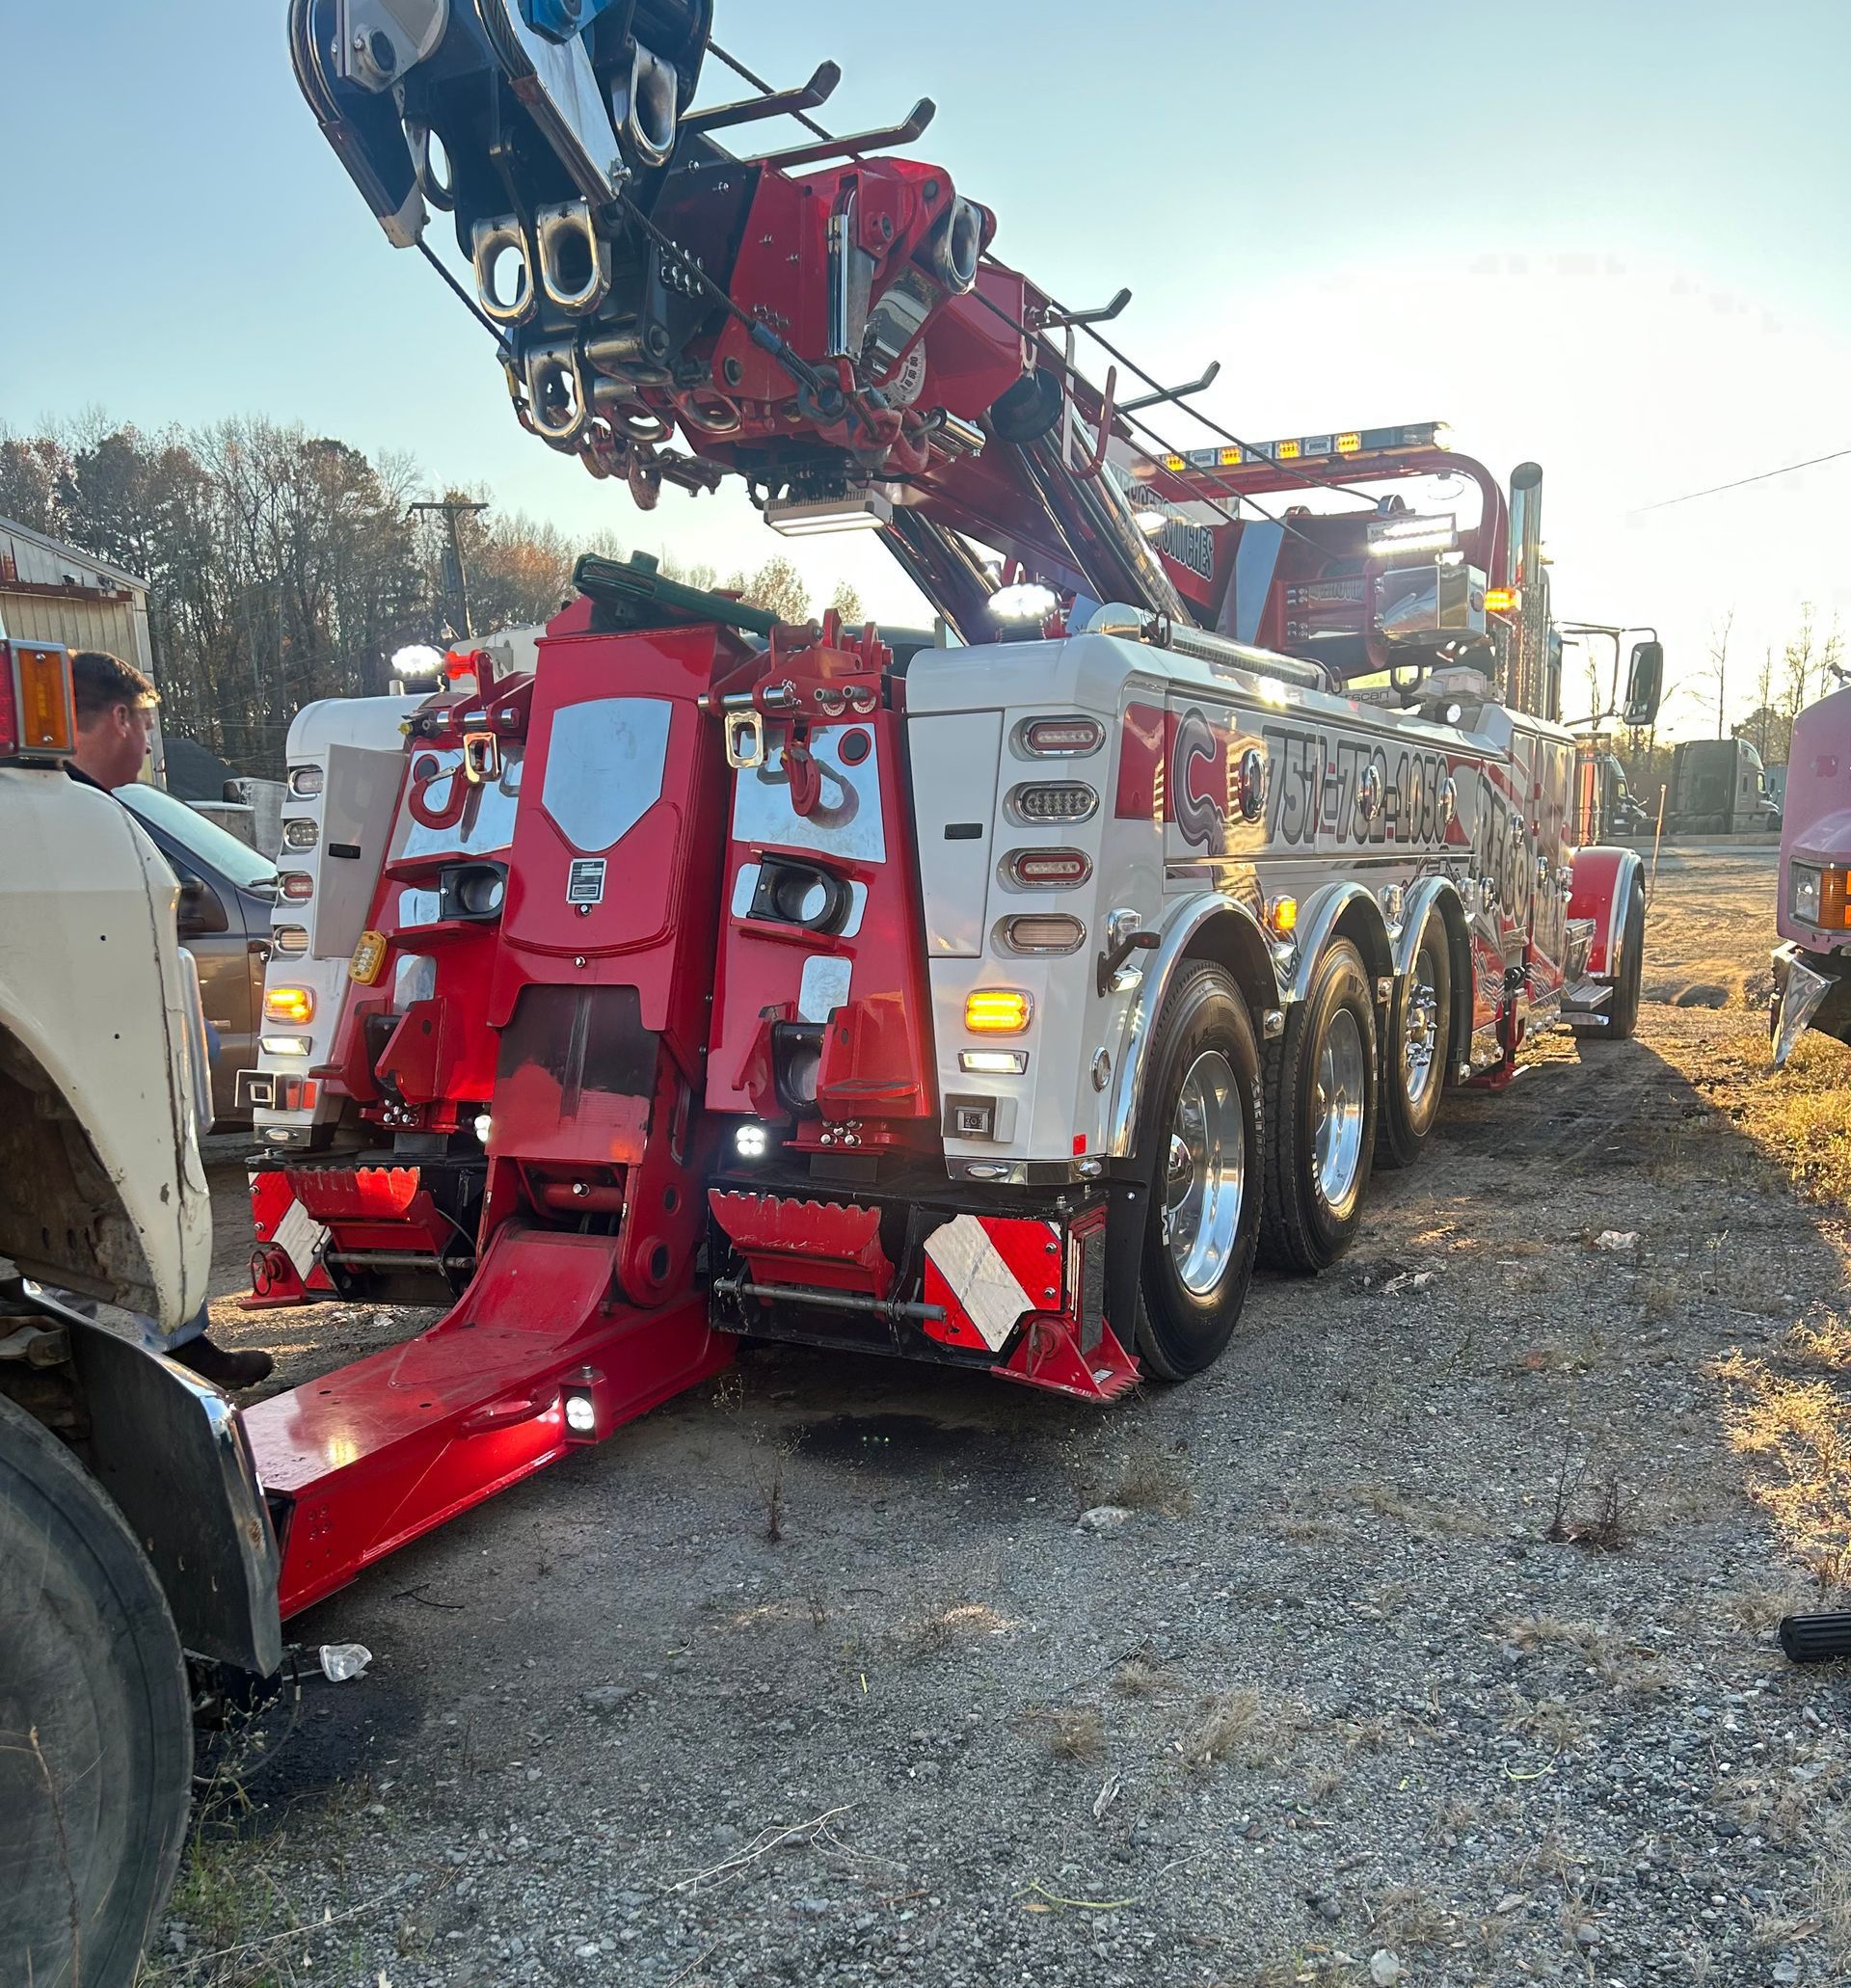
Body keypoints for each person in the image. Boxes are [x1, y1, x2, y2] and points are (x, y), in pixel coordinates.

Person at [65, 651, 275, 1389]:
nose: (150, 744)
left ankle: (177, 1338)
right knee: (129, 1190)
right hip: (98, 1048)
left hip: (115, 1033)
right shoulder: (75, 814)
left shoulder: (85, 810)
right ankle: (135, 1355)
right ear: (117, 717)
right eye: (144, 725)